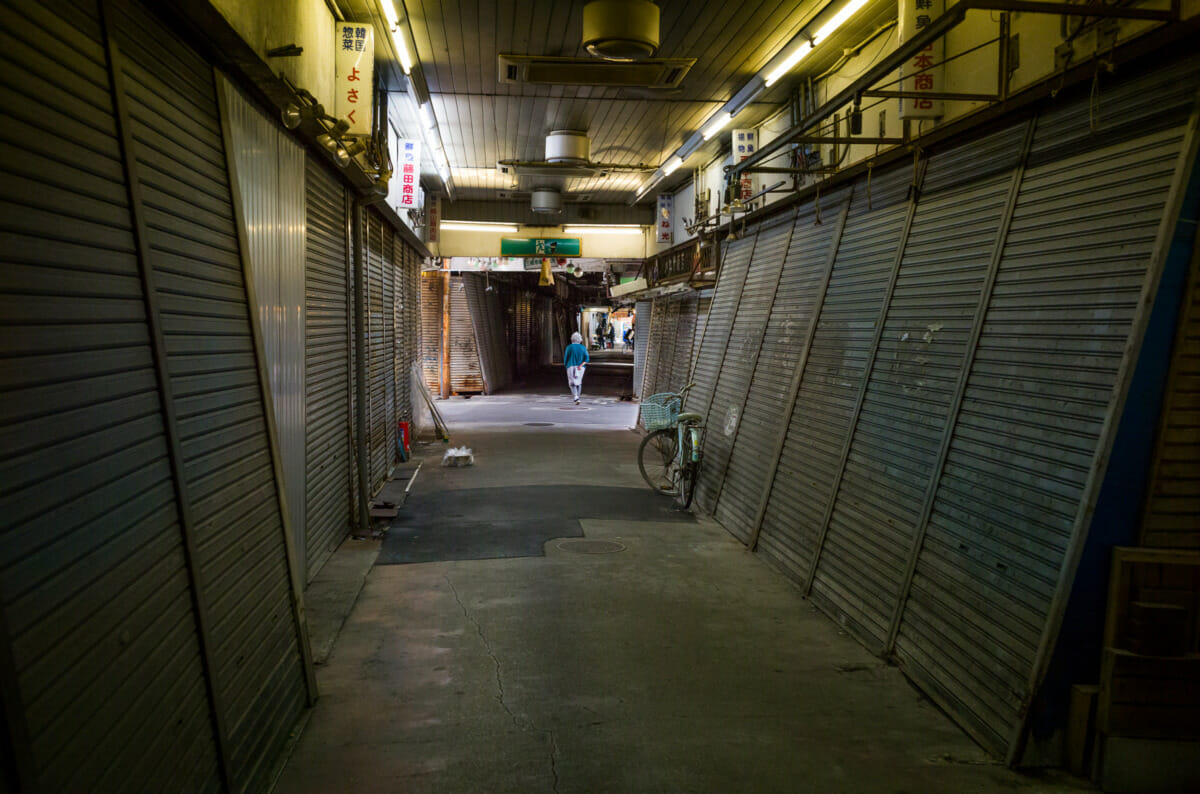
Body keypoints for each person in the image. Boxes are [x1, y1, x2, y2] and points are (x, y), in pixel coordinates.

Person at [564, 331, 589, 404]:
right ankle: (577, 397)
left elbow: (566, 358)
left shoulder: (569, 347)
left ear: (572, 339)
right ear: (580, 339)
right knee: (578, 382)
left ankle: (576, 397)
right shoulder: (583, 347)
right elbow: (587, 359)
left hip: (571, 366)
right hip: (581, 368)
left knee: (572, 383)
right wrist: (580, 366)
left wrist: (565, 365)